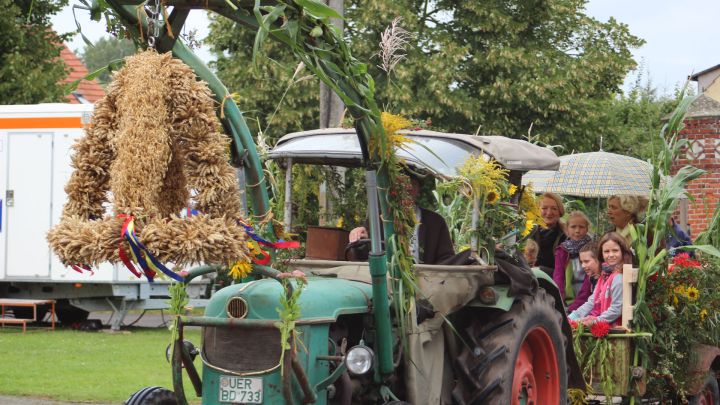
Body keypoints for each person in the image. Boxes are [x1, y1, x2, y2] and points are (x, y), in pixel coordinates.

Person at [348, 174, 455, 264]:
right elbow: (361, 256)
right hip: (387, 279)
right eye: (402, 184)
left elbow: (446, 259)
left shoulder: (435, 221)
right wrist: (358, 239)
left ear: (418, 190)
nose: (407, 188)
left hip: (425, 281)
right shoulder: (379, 219)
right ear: (394, 190)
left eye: (412, 184)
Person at [568, 232, 633, 326]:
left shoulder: (618, 277)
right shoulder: (604, 275)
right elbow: (592, 302)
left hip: (614, 329)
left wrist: (595, 321)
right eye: (606, 251)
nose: (611, 255)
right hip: (603, 324)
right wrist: (572, 317)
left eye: (615, 250)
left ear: (622, 252)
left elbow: (616, 309)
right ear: (601, 254)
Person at [553, 211, 592, 301]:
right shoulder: (562, 250)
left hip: (588, 297)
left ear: (587, 229)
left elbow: (589, 281)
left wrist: (579, 302)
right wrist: (559, 298)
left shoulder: (592, 249)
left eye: (581, 227)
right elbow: (558, 275)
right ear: (567, 229)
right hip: (567, 297)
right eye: (573, 227)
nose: (577, 231)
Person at [530, 192, 567, 276]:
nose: (549, 213)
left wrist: (540, 270)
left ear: (560, 211)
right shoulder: (529, 232)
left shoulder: (567, 236)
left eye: (554, 208)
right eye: (544, 208)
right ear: (537, 210)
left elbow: (568, 273)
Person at [567, 242, 600, 312]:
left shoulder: (605, 279)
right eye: (581, 262)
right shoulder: (591, 278)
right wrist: (569, 312)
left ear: (598, 259)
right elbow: (583, 298)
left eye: (586, 261)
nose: (583, 266)